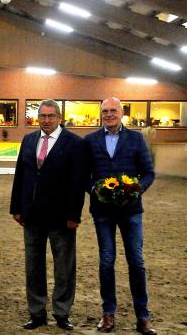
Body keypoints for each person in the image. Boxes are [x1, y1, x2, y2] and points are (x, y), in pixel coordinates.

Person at [10, 100, 88, 331]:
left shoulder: (75, 144)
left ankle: (62, 312)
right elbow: (21, 175)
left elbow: (78, 183)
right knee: (33, 266)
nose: (46, 120)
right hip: (31, 215)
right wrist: (16, 207)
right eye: (42, 116)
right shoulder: (29, 140)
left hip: (62, 217)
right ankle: (37, 312)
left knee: (64, 267)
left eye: (50, 116)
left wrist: (74, 215)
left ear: (59, 117)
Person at [85, 97, 156, 334]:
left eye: (113, 110)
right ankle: (108, 314)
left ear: (122, 113)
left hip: (131, 211)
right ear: (101, 114)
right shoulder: (91, 140)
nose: (109, 114)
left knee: (136, 261)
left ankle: (143, 317)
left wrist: (136, 190)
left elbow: (148, 172)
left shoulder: (136, 138)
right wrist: (94, 188)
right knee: (106, 261)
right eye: (105, 111)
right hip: (103, 211)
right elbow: (84, 174)